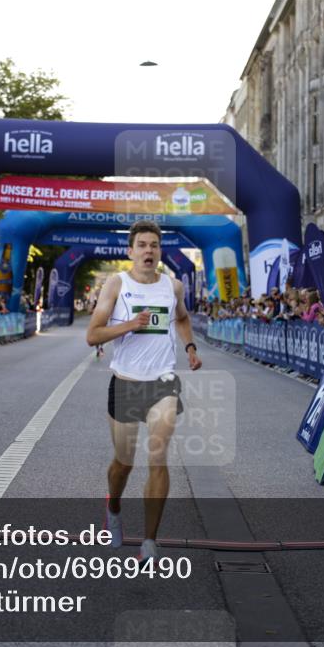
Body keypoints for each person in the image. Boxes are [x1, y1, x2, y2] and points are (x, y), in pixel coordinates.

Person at [85, 219, 202, 563]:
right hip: (125, 382)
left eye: (154, 245)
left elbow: (181, 318)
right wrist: (130, 325)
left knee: (158, 458)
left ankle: (150, 541)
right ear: (130, 251)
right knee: (123, 463)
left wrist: (191, 347)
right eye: (142, 245)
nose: (148, 251)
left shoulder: (173, 286)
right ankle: (115, 508)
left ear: (159, 251)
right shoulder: (116, 285)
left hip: (163, 382)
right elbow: (93, 335)